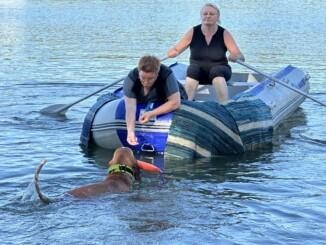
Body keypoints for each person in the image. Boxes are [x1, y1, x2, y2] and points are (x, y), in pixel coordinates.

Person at [167, 3, 245, 102]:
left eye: (211, 14)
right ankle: (187, 103)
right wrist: (172, 52)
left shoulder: (224, 33)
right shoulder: (193, 31)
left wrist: (236, 56)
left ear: (217, 17)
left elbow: (240, 56)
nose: (208, 16)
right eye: (205, 14)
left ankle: (225, 104)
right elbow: (176, 49)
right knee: (193, 69)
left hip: (220, 71)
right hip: (198, 73)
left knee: (216, 71)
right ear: (201, 16)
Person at [123, 55, 181, 146]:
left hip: (164, 97)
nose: (146, 82)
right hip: (143, 99)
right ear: (139, 72)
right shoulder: (131, 79)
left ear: (157, 74)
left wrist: (151, 113)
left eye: (150, 79)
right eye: (143, 78)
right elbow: (130, 109)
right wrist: (130, 132)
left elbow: (175, 103)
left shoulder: (166, 74)